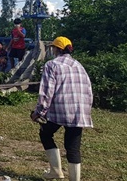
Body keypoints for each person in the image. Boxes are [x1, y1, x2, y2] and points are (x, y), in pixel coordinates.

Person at [31, 36, 92, 181]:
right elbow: (89, 90)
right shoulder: (79, 65)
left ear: (56, 49)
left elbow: (47, 92)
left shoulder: (52, 65)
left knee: (46, 134)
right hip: (80, 110)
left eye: (52, 48)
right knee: (73, 147)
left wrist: (38, 112)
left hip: (60, 109)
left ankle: (56, 172)